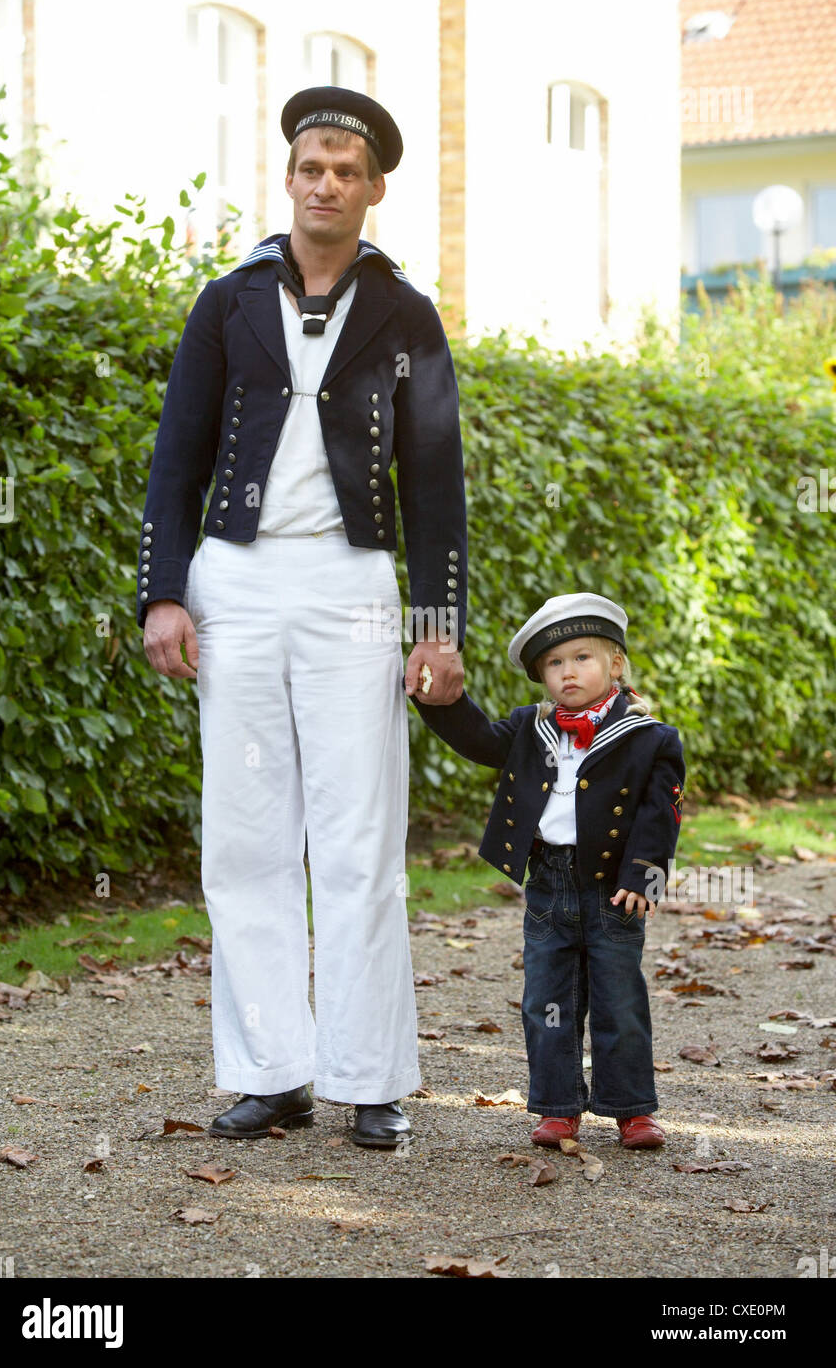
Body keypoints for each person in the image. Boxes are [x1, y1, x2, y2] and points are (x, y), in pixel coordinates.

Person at [136, 86, 467, 1148]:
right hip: (234, 582)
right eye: (309, 166)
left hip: (353, 586)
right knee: (244, 835)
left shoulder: (405, 313)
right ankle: (269, 1069)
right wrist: (165, 592)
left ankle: (371, 1077)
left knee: (361, 833)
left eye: (346, 170)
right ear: (289, 177)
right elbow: (175, 457)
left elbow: (435, 479)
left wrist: (437, 622)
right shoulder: (226, 300)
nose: (325, 184)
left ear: (374, 189)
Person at [411, 593, 685, 1150]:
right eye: (555, 664)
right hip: (548, 885)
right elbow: (478, 740)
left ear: (616, 664)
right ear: (542, 676)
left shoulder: (649, 736)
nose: (568, 672)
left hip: (615, 889)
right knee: (547, 1001)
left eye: (582, 658)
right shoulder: (531, 728)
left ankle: (631, 1109)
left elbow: (662, 813)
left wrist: (644, 876)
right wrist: (438, 700)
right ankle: (558, 1107)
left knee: (619, 1000)